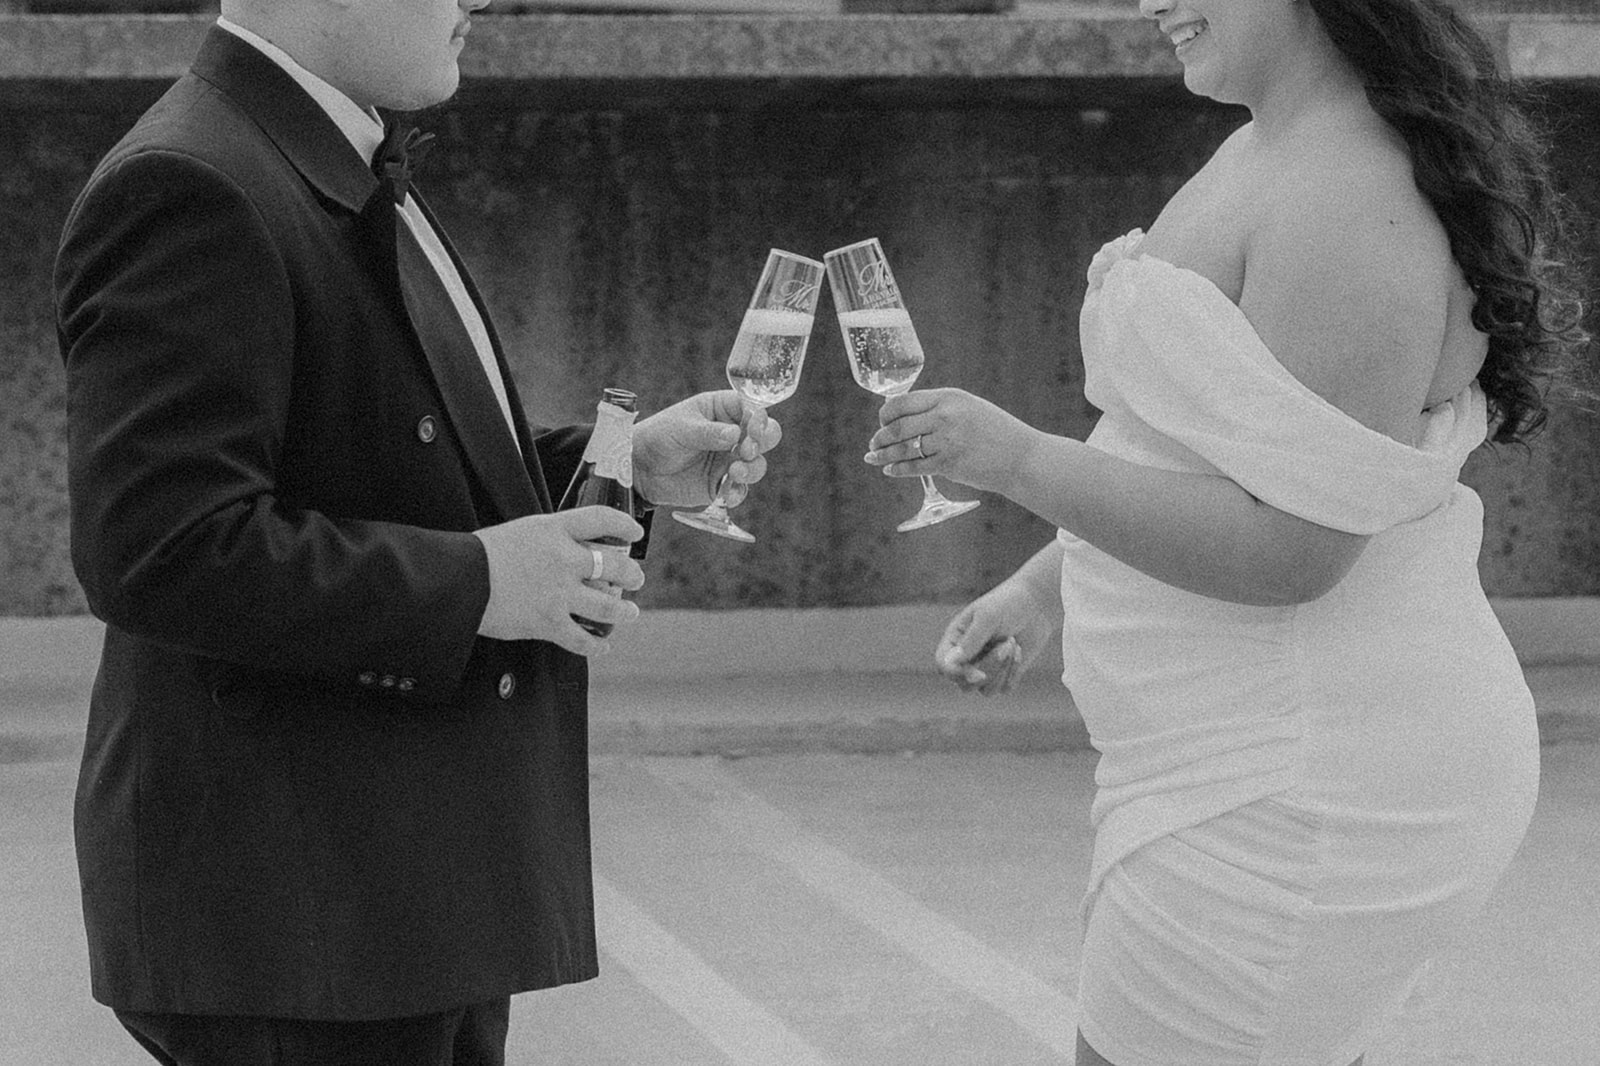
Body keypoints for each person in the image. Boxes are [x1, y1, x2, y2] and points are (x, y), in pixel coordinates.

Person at [53, 0, 779, 1060]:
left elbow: (381, 448)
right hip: (300, 922)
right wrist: (481, 581)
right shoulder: (192, 181)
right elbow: (162, 547)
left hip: (382, 900)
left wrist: (611, 466)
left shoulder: (307, 149)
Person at [867, 0, 1590, 1062]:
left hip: (1305, 782)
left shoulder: (1352, 197)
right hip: (1230, 759)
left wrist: (1013, 458)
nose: (1151, 2)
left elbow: (1296, 546)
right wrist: (1043, 586)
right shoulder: (1264, 147)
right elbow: (1189, 449)